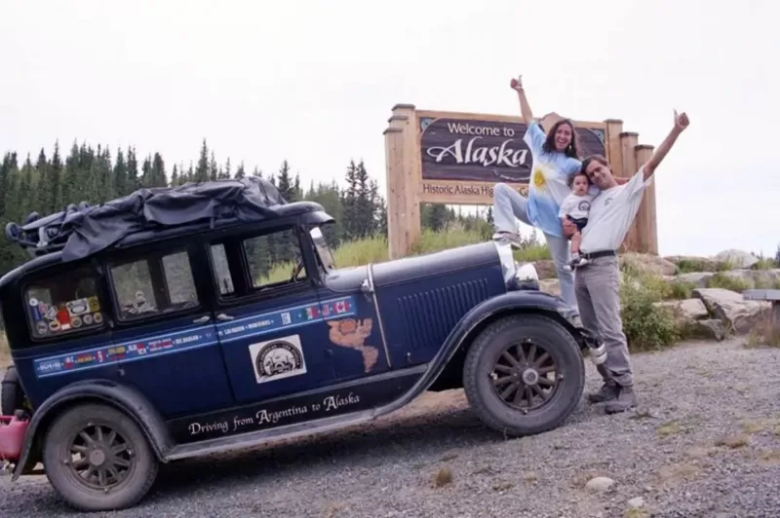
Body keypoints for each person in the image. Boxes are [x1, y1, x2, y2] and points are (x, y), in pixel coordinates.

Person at [565, 109, 691, 414]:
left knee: (610, 328)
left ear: (608, 168)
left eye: (599, 170)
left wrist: (675, 130)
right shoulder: (592, 201)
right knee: (591, 331)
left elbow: (652, 163)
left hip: (603, 267)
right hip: (581, 269)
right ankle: (609, 382)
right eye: (592, 174)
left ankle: (627, 388)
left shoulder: (627, 192)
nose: (596, 176)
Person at [492, 75, 590, 315]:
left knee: (564, 268)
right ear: (553, 133)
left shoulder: (571, 164)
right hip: (531, 210)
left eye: (568, 134)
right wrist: (520, 92)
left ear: (570, 139)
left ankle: (572, 312)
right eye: (560, 132)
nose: (563, 136)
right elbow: (528, 118)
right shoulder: (539, 145)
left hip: (555, 222)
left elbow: (594, 177)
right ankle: (508, 233)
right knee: (500, 189)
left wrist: (622, 184)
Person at [558, 172, 594, 269]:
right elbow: (562, 212)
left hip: (587, 222)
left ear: (588, 186)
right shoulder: (570, 199)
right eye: (578, 184)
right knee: (576, 236)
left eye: (584, 183)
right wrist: (565, 221)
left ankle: (579, 259)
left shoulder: (591, 197)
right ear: (572, 186)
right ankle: (574, 256)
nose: (581, 186)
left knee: (585, 240)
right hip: (575, 221)